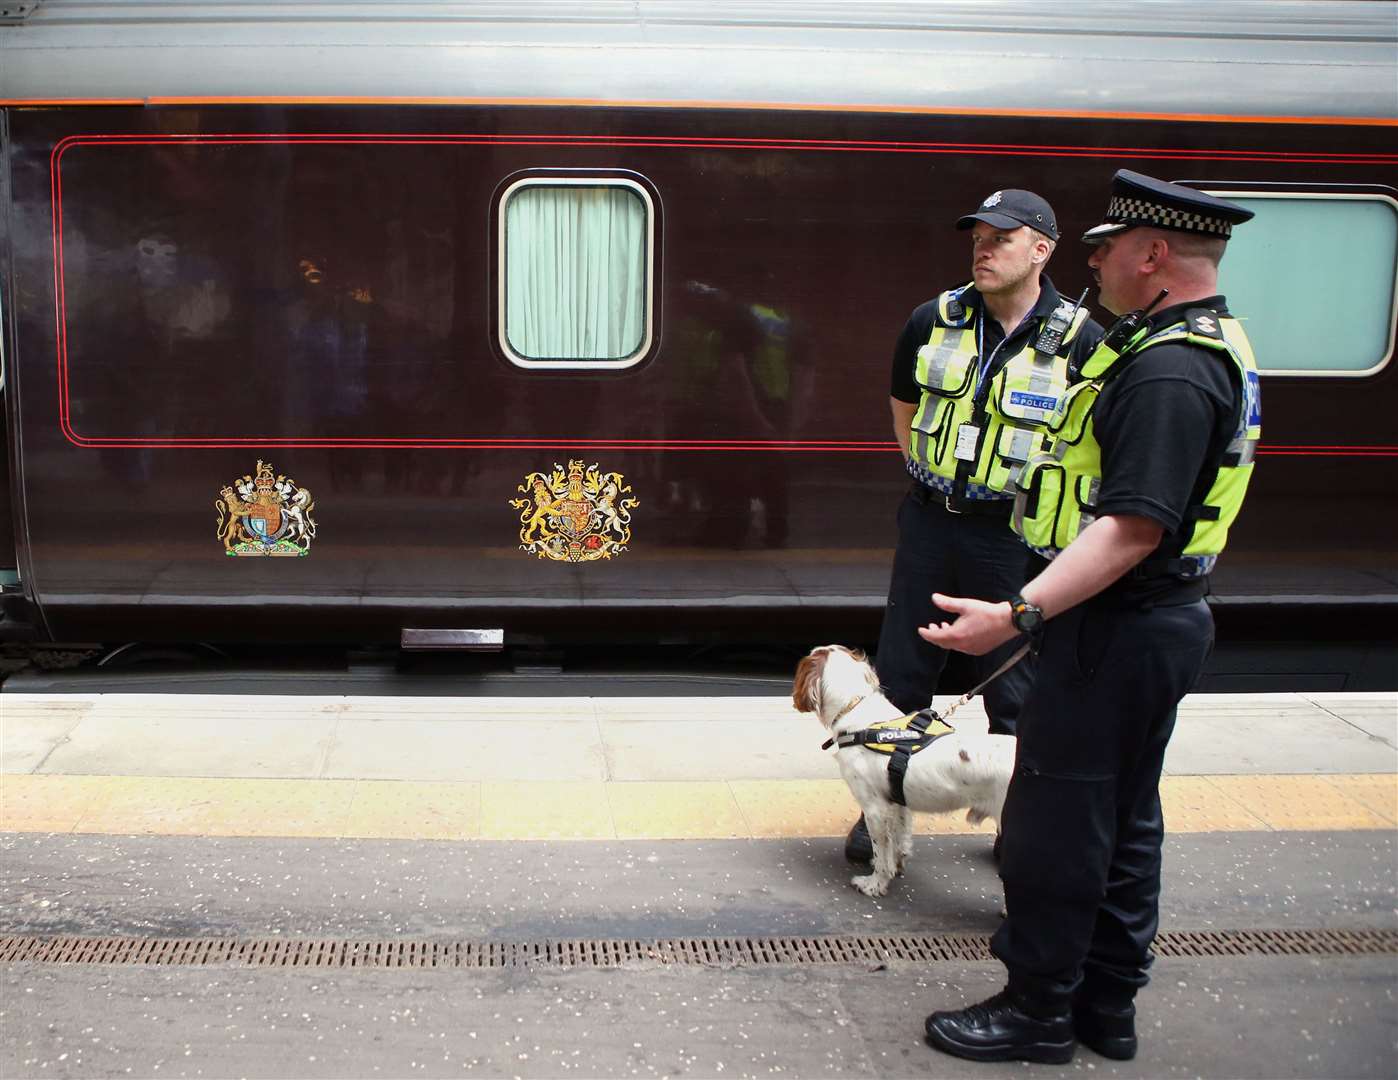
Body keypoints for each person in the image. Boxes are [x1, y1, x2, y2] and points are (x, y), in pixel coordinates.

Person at [917, 170, 1262, 1064]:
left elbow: (1131, 527)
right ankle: (1105, 1007)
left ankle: (1038, 1013)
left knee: (1056, 827)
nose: (1094, 259)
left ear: (1154, 254)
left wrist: (1016, 615)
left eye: (1107, 246)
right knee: (1123, 819)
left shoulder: (1171, 371)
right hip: (1147, 628)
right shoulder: (1195, 342)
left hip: (1115, 630)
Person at [846, 189, 1103, 863]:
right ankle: (882, 815)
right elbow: (904, 403)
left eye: (1001, 239)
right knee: (902, 675)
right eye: (977, 240)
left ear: (1042, 249)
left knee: (1014, 689)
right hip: (932, 522)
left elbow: (1091, 443)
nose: (983, 250)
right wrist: (930, 479)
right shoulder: (934, 318)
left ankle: (1015, 827)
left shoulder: (1081, 340)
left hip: (1012, 535)